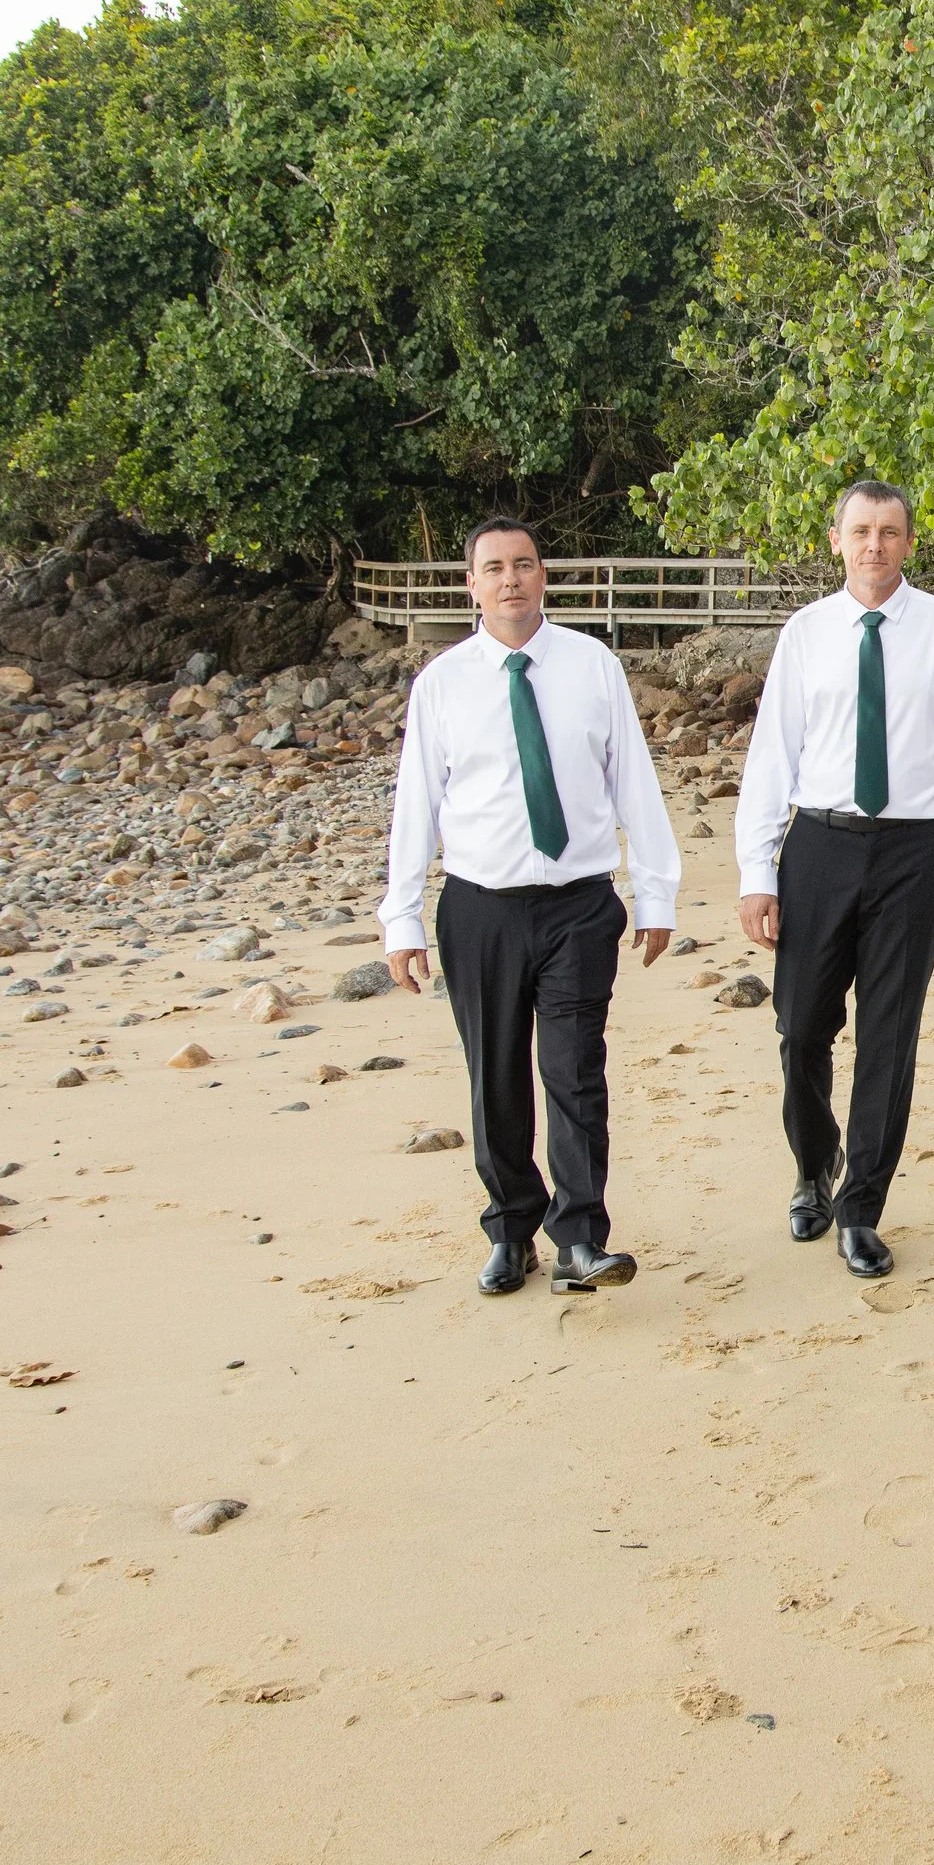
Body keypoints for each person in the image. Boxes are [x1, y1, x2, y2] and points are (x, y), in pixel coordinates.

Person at [382, 515, 678, 1295]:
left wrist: (656, 892)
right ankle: (512, 1230)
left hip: (578, 904)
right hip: (480, 908)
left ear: (543, 575)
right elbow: (417, 802)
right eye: (493, 568)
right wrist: (400, 917)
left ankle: (581, 1237)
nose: (510, 579)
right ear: (470, 584)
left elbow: (633, 784)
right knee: (496, 1077)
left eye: (524, 564)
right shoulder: (441, 684)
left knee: (576, 1071)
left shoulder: (592, 666)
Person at [735, 481, 934, 1280]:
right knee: (800, 1027)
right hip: (817, 845)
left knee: (890, 1036)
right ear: (836, 541)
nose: (875, 545)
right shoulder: (807, 633)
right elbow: (771, 757)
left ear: (909, 543)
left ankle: (862, 1208)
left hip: (914, 852)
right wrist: (758, 871)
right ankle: (813, 1166)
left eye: (889, 532)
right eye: (861, 531)